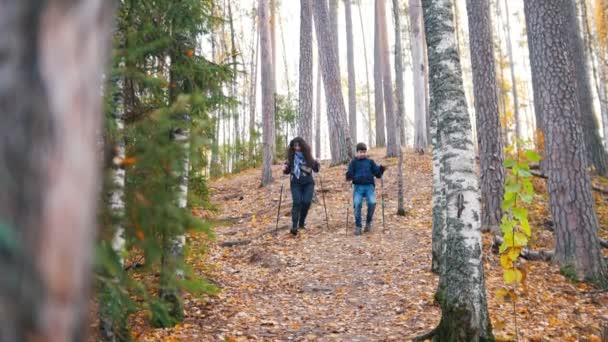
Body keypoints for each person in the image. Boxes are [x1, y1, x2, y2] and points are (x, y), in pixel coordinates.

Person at [345, 143, 386, 235]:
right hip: (358, 187)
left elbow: (377, 174)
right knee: (357, 204)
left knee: (372, 202)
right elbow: (349, 175)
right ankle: (358, 226)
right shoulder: (353, 163)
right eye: (360, 152)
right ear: (357, 152)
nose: (362, 154)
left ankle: (368, 222)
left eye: (364, 152)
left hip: (369, 187)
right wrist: (348, 175)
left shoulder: (370, 162)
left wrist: (381, 169)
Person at [282, 137, 320, 236]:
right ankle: (294, 226)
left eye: (299, 146)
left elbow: (315, 169)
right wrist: (285, 169)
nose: (297, 148)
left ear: (303, 146)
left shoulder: (308, 156)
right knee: (297, 202)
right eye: (295, 146)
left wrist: (317, 163)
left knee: (307, 202)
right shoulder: (291, 157)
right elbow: (287, 171)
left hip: (308, 183)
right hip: (295, 183)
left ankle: (301, 222)